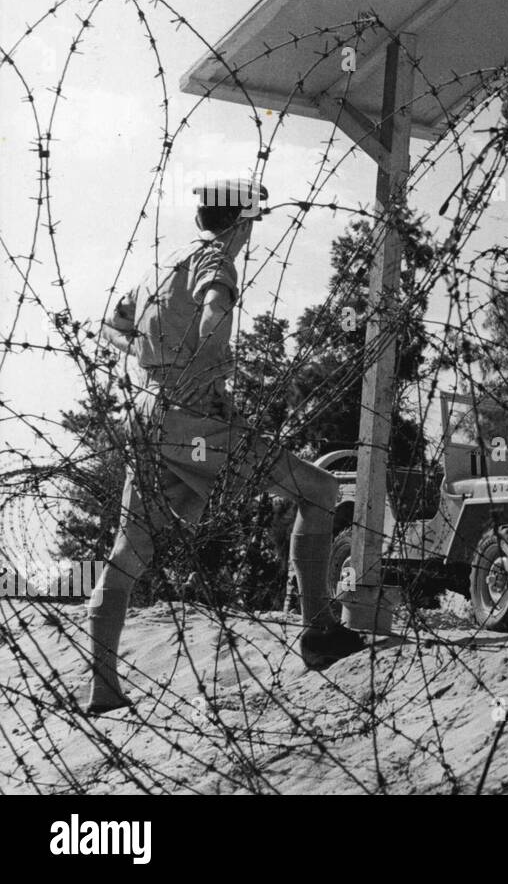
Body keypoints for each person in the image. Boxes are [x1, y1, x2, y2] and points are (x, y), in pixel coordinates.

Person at [84, 180, 364, 715]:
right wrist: (197, 367)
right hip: (195, 423)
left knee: (130, 551)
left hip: (149, 419)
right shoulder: (217, 259)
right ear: (241, 223)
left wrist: (158, 371)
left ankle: (102, 685)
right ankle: (318, 632)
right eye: (251, 223)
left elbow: (110, 326)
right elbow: (216, 312)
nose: (250, 234)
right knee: (321, 488)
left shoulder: (158, 268)